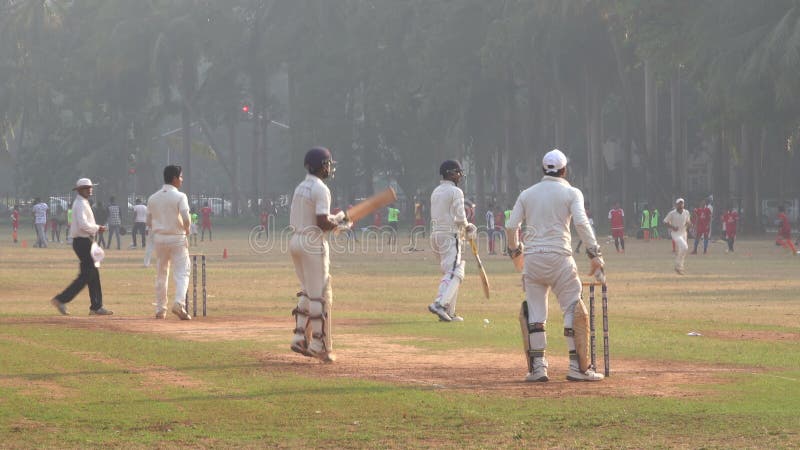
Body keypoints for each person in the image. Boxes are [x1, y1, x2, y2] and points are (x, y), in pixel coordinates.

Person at [505, 149, 605, 382]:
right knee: (573, 308)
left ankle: (538, 368)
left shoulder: (527, 194)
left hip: (533, 259)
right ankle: (577, 368)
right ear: (564, 170)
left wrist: (516, 252)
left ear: (543, 169)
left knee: (536, 314)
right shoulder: (571, 192)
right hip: (560, 257)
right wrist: (595, 254)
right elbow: (581, 222)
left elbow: (511, 226)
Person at [288, 147, 350, 362]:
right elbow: (322, 222)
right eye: (328, 164)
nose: (330, 167)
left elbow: (314, 216)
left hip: (296, 240)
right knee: (320, 293)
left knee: (307, 290)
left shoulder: (301, 187)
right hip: (313, 242)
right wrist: (339, 225)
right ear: (323, 165)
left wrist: (338, 219)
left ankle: (299, 337)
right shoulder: (321, 188)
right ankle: (318, 343)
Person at [51, 178, 112, 316]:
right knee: (87, 275)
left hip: (85, 241)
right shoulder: (80, 204)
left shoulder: (83, 202)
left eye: (90, 187)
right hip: (83, 242)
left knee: (93, 274)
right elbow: (83, 225)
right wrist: (98, 228)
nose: (90, 190)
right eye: (86, 188)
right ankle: (61, 299)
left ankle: (96, 306)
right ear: (79, 190)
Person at [427, 160, 477, 323]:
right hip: (450, 236)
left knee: (451, 273)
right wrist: (468, 227)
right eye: (458, 172)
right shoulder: (456, 192)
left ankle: (449, 312)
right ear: (450, 173)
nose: (460, 176)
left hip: (435, 236)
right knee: (456, 272)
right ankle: (439, 304)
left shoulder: (436, 191)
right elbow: (461, 217)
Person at [147, 165, 193, 320]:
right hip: (177, 237)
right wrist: (187, 229)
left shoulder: (153, 197)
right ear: (174, 178)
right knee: (182, 272)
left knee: (161, 273)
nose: (182, 179)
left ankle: (160, 309)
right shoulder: (180, 196)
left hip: (159, 239)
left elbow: (148, 221)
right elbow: (186, 217)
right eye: (180, 177)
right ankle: (179, 303)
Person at [664, 198, 692, 275]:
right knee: (685, 247)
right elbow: (665, 222)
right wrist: (672, 227)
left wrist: (689, 224)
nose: (681, 205)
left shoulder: (686, 212)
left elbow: (688, 221)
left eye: (682, 203)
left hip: (684, 233)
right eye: (679, 203)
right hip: (675, 234)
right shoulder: (672, 213)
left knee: (683, 250)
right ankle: (677, 265)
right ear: (676, 205)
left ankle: (679, 267)